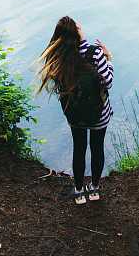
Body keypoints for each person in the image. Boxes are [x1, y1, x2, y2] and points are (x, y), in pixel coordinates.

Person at [31, 15, 113, 204]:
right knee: (97, 148)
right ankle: (94, 189)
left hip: (75, 114)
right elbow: (107, 82)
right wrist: (108, 60)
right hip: (99, 113)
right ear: (77, 29)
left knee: (79, 149)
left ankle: (78, 191)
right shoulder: (95, 53)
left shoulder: (59, 58)